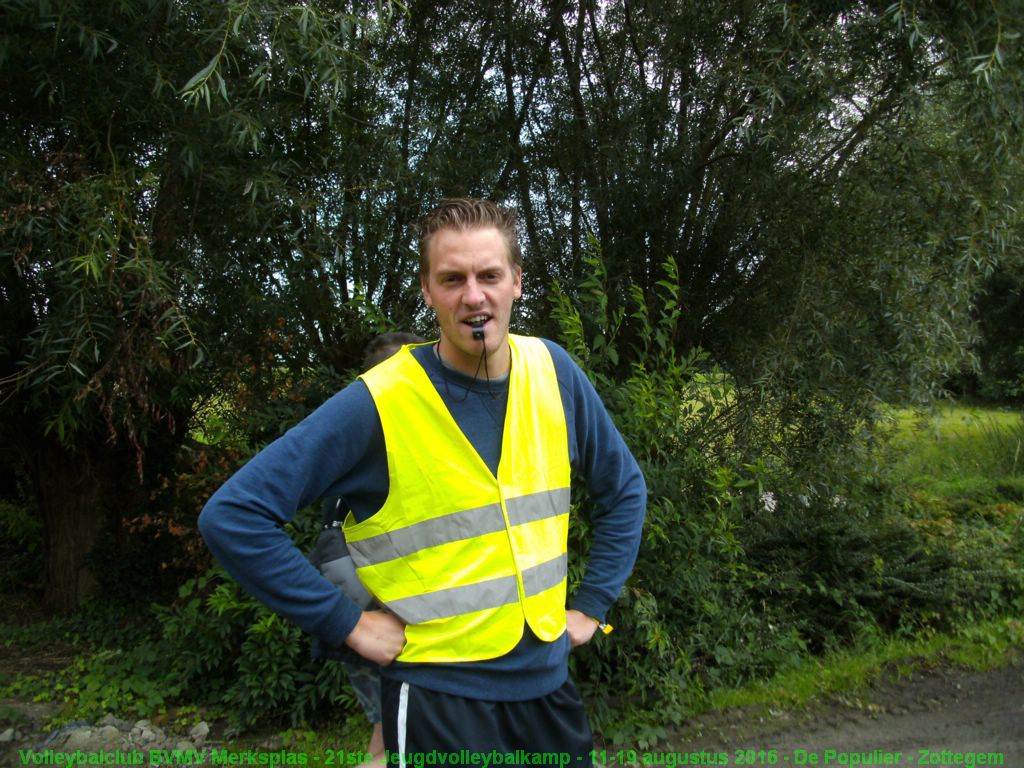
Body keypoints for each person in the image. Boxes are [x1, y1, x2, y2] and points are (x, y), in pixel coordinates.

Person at [199, 198, 646, 766]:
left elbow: (624, 489)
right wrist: (348, 624)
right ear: (428, 290)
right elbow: (234, 516)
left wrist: (593, 605)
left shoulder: (555, 371)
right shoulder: (379, 401)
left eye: (489, 276)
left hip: (548, 689)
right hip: (440, 699)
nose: (474, 296)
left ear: (517, 283)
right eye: (452, 279)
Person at [310, 331, 425, 768]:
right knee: (399, 740)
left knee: (385, 730)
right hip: (376, 609)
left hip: (351, 604)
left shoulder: (354, 436)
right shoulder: (391, 440)